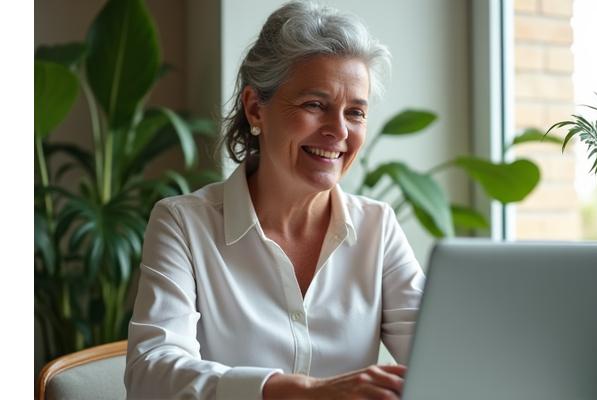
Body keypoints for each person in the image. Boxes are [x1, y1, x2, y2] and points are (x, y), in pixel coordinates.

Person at [124, 1, 425, 399]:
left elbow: (439, 357)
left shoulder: (377, 227)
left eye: (355, 112)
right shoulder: (184, 224)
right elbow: (152, 373)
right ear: (255, 108)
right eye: (315, 105)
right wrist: (297, 392)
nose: (339, 131)